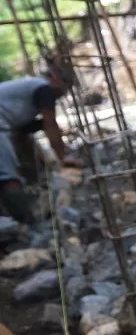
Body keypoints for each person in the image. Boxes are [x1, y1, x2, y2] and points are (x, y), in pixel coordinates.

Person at [0, 71, 80, 223]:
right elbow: (51, 125)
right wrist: (63, 158)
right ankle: (28, 225)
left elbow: (22, 132)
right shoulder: (43, 89)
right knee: (7, 178)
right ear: (55, 80)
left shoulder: (26, 93)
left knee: (7, 173)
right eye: (65, 88)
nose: (63, 94)